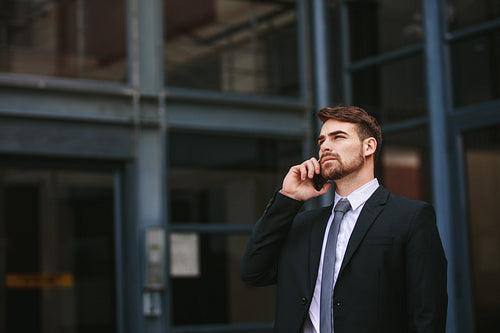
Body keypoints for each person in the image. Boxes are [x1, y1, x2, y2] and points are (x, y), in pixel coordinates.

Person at [239, 106, 448, 333]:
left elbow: (427, 313)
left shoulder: (410, 217)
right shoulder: (304, 224)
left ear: (368, 146)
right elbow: (253, 272)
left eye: (338, 137)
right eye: (321, 141)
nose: (325, 146)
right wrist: (288, 198)